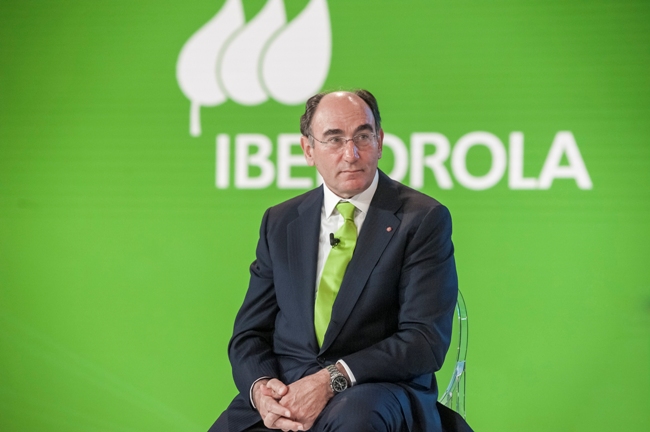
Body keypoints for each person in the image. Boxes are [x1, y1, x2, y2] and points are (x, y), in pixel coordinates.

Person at [208, 90, 473, 432]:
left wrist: (332, 379)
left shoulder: (421, 219)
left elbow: (424, 341)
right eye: (334, 139)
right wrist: (261, 389)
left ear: (380, 142)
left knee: (355, 419)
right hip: (289, 389)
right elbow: (249, 334)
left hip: (375, 390)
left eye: (363, 136)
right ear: (308, 150)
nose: (351, 154)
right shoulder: (281, 222)